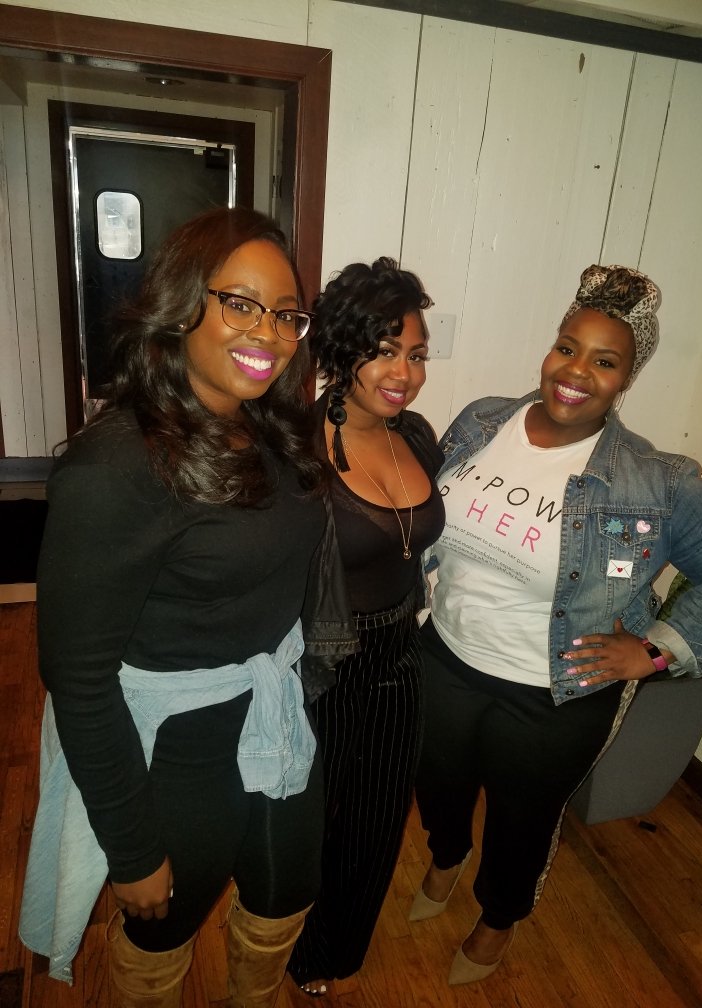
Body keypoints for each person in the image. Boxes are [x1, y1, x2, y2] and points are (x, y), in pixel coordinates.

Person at [408, 264, 702, 986]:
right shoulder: (480, 421)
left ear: (626, 378)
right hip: (445, 650)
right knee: (438, 783)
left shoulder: (656, 481)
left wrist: (658, 651)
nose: (576, 372)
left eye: (605, 360)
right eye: (568, 347)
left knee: (522, 820)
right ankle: (446, 855)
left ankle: (497, 919)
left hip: (555, 690)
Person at [19, 207, 331, 1008]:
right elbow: (79, 679)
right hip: (177, 750)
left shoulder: (271, 426)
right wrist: (130, 848)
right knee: (164, 928)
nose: (269, 333)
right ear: (182, 303)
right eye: (241, 304)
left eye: (286, 314)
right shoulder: (117, 466)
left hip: (271, 714)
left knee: (286, 895)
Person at [287, 258, 446, 996]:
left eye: (416, 353)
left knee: (379, 817)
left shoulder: (417, 434)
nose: (404, 373)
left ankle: (334, 951)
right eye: (384, 351)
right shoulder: (297, 447)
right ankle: (283, 937)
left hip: (400, 651)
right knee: (311, 818)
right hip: (324, 660)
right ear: (342, 349)